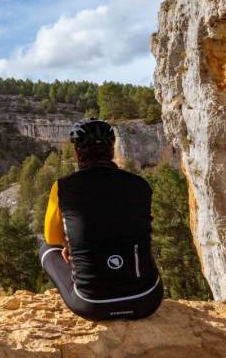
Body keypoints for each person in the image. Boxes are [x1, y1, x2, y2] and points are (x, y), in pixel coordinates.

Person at [38, 118, 163, 320]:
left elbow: (52, 238)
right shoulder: (140, 184)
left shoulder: (63, 187)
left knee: (47, 250)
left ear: (77, 154)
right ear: (112, 151)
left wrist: (71, 244)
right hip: (145, 300)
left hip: (93, 305)